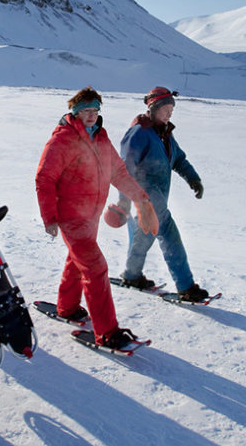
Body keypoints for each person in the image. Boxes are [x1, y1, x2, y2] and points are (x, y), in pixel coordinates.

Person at [35, 87, 159, 349]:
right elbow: (44, 179)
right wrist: (49, 217)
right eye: (86, 111)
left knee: (76, 260)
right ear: (75, 112)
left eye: (95, 110)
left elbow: (119, 172)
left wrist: (141, 198)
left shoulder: (100, 138)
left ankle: (67, 308)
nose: (91, 115)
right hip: (71, 216)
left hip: (90, 214)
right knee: (95, 267)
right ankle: (108, 332)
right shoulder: (63, 140)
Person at [108, 87, 209, 301]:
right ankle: (182, 285)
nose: (169, 114)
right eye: (165, 109)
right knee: (161, 239)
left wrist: (193, 178)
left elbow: (179, 160)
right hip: (144, 200)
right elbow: (124, 167)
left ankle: (136, 275)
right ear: (153, 108)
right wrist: (124, 200)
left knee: (152, 240)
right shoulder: (139, 133)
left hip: (157, 201)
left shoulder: (164, 134)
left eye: (171, 110)